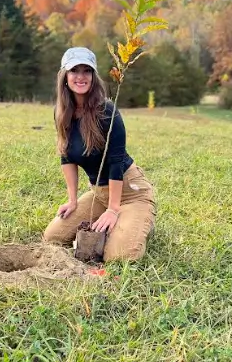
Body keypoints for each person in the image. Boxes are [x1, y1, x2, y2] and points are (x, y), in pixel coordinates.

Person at [43, 46, 156, 262]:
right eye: (75, 70)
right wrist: (72, 200)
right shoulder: (61, 112)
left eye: (87, 71)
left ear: (94, 77)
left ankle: (139, 220)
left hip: (130, 193)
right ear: (64, 76)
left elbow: (115, 162)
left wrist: (114, 209)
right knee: (53, 236)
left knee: (120, 256)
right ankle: (118, 222)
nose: (81, 77)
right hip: (99, 194)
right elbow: (66, 156)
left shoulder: (106, 111)